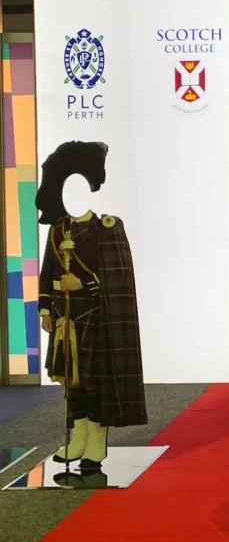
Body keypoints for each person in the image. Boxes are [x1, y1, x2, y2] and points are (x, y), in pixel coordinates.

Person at [37, 141, 147, 472]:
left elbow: (119, 280)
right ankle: (78, 440)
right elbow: (47, 272)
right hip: (64, 321)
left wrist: (83, 283)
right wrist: (46, 311)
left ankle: (97, 443)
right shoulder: (57, 230)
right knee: (72, 383)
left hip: (97, 318)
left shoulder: (107, 228)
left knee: (95, 381)